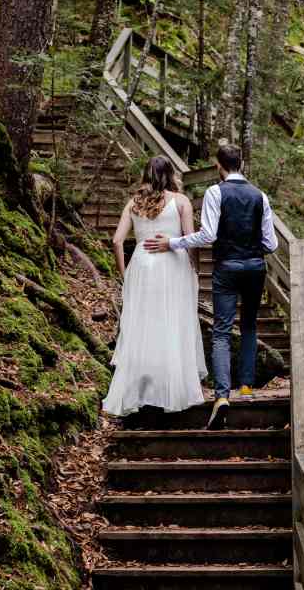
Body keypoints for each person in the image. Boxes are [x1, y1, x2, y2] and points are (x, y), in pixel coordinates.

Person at [144, 143, 277, 430]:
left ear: (219, 165)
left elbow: (208, 235)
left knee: (221, 331)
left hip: (227, 267)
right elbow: (272, 243)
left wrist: (173, 242)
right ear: (240, 163)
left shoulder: (216, 193)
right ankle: (246, 387)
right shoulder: (260, 196)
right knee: (250, 325)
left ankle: (221, 395)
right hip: (255, 267)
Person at [102, 156, 207, 417]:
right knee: (172, 322)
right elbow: (190, 241)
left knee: (142, 325)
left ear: (146, 175)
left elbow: (116, 241)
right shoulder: (181, 201)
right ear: (171, 174)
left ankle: (140, 388)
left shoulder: (133, 203)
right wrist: (195, 268)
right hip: (173, 265)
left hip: (140, 266)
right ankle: (172, 388)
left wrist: (124, 274)